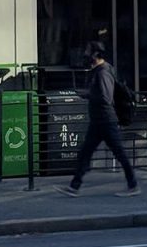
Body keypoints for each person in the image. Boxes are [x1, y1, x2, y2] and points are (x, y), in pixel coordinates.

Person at [55, 41, 140, 198]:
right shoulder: (99, 71)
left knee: (119, 153)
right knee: (85, 153)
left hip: (106, 120)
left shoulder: (103, 72)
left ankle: (133, 184)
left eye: (88, 52)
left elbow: (105, 97)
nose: (85, 55)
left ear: (95, 54)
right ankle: (74, 186)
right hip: (99, 121)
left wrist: (86, 94)